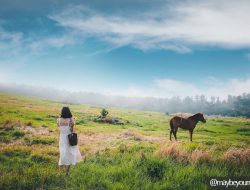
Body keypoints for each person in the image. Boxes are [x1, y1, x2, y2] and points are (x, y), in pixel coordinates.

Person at [57, 107, 82, 176]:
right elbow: (72, 129)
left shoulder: (58, 120)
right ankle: (67, 173)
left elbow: (59, 127)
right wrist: (72, 119)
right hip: (69, 139)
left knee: (62, 154)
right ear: (69, 112)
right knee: (69, 154)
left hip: (62, 139)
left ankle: (60, 172)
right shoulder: (71, 120)